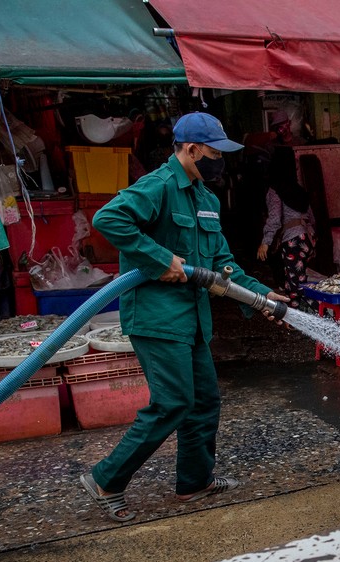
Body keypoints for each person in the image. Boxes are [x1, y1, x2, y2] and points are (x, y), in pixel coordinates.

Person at [80, 112, 289, 523]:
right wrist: (160, 260)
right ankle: (106, 479)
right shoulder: (157, 187)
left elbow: (224, 266)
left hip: (193, 319)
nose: (220, 163)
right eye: (214, 154)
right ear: (191, 149)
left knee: (205, 401)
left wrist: (263, 297)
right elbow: (108, 219)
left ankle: (194, 482)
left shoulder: (207, 199)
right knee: (173, 402)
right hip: (157, 318)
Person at [257, 147, 316, 308]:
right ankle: (312, 310)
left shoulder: (275, 190)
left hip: (292, 241)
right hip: (307, 238)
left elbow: (275, 219)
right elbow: (311, 217)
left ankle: (303, 316)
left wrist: (265, 242)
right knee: (302, 278)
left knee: (294, 282)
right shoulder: (298, 189)